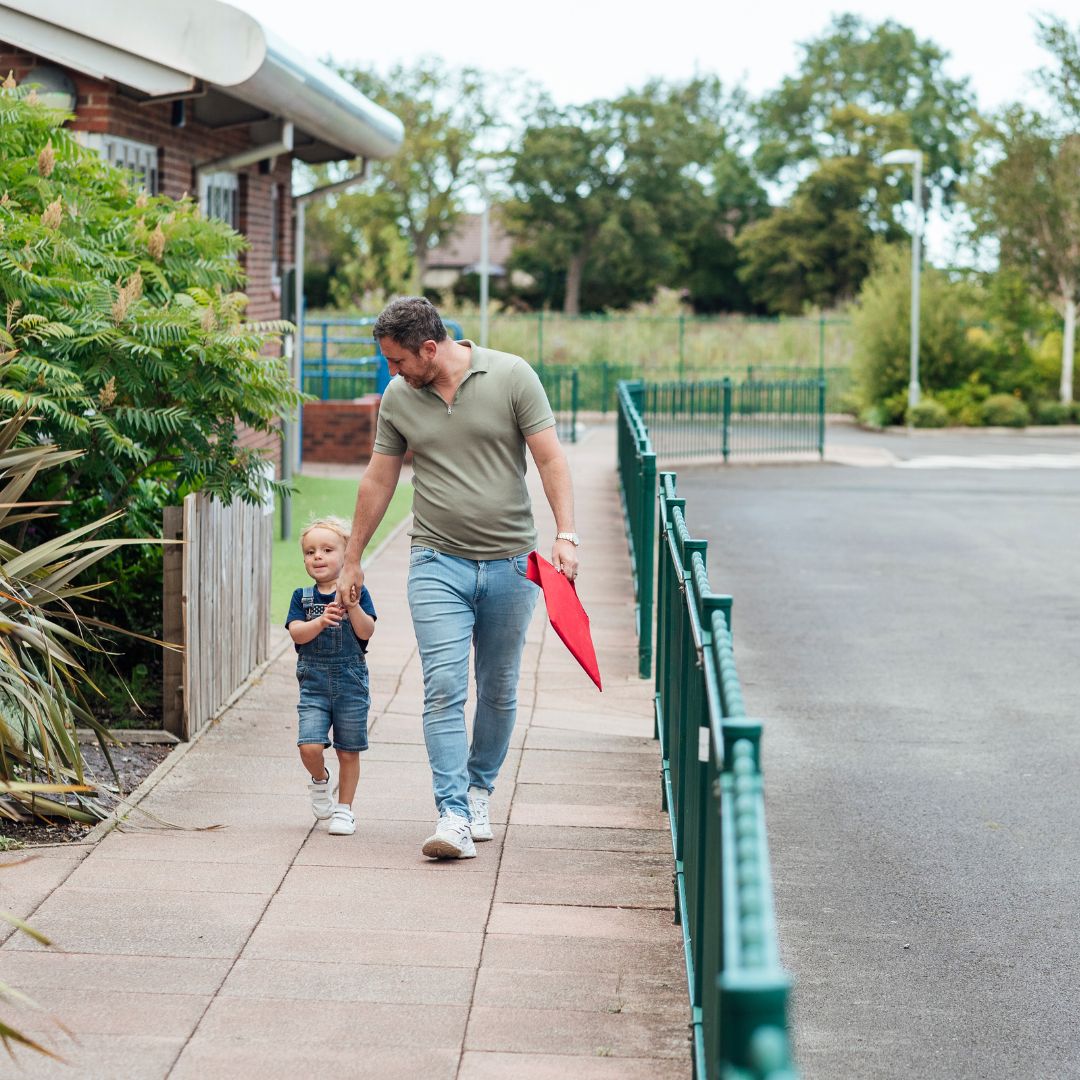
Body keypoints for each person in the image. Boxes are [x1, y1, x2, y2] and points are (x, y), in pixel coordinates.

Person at [337, 296, 578, 861]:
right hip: (435, 561)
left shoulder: (512, 376)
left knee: (498, 686)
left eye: (397, 361)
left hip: (512, 563)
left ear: (429, 348)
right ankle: (452, 813)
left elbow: (549, 459)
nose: (391, 373)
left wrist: (566, 532)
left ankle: (478, 789)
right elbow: (379, 479)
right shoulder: (400, 397)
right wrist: (352, 556)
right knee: (444, 686)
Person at [286, 515, 377, 837]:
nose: (318, 557)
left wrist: (352, 606)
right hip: (314, 686)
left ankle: (345, 809)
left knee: (347, 750)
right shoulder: (302, 598)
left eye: (327, 550)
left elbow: (367, 632)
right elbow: (297, 634)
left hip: (351, 683)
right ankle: (320, 781)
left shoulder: (358, 593)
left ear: (346, 555)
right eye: (310, 552)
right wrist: (320, 622)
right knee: (309, 746)